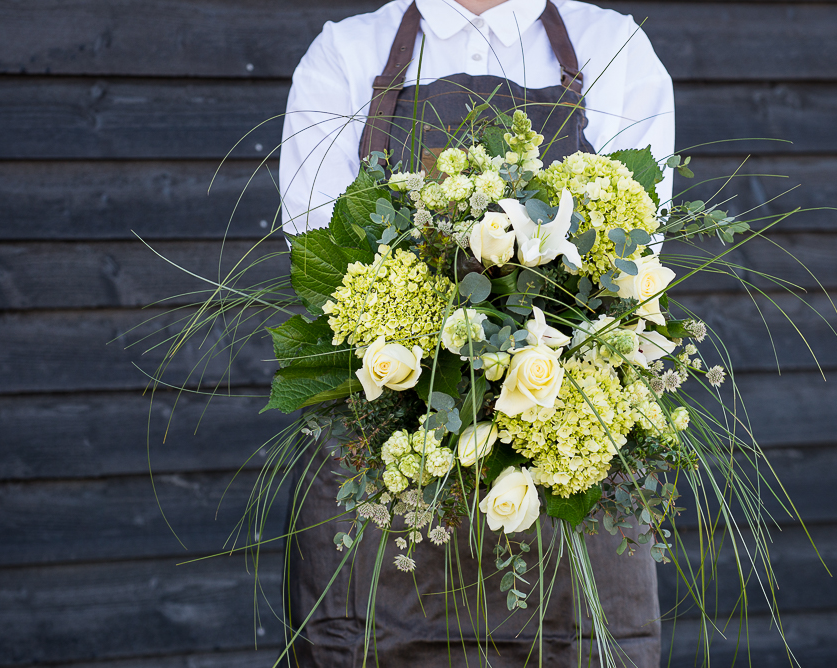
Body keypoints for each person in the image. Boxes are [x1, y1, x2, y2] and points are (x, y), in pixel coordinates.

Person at [279, 1, 674, 666]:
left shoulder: (612, 45)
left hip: (562, 463)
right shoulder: (348, 53)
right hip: (384, 479)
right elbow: (320, 261)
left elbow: (630, 257)